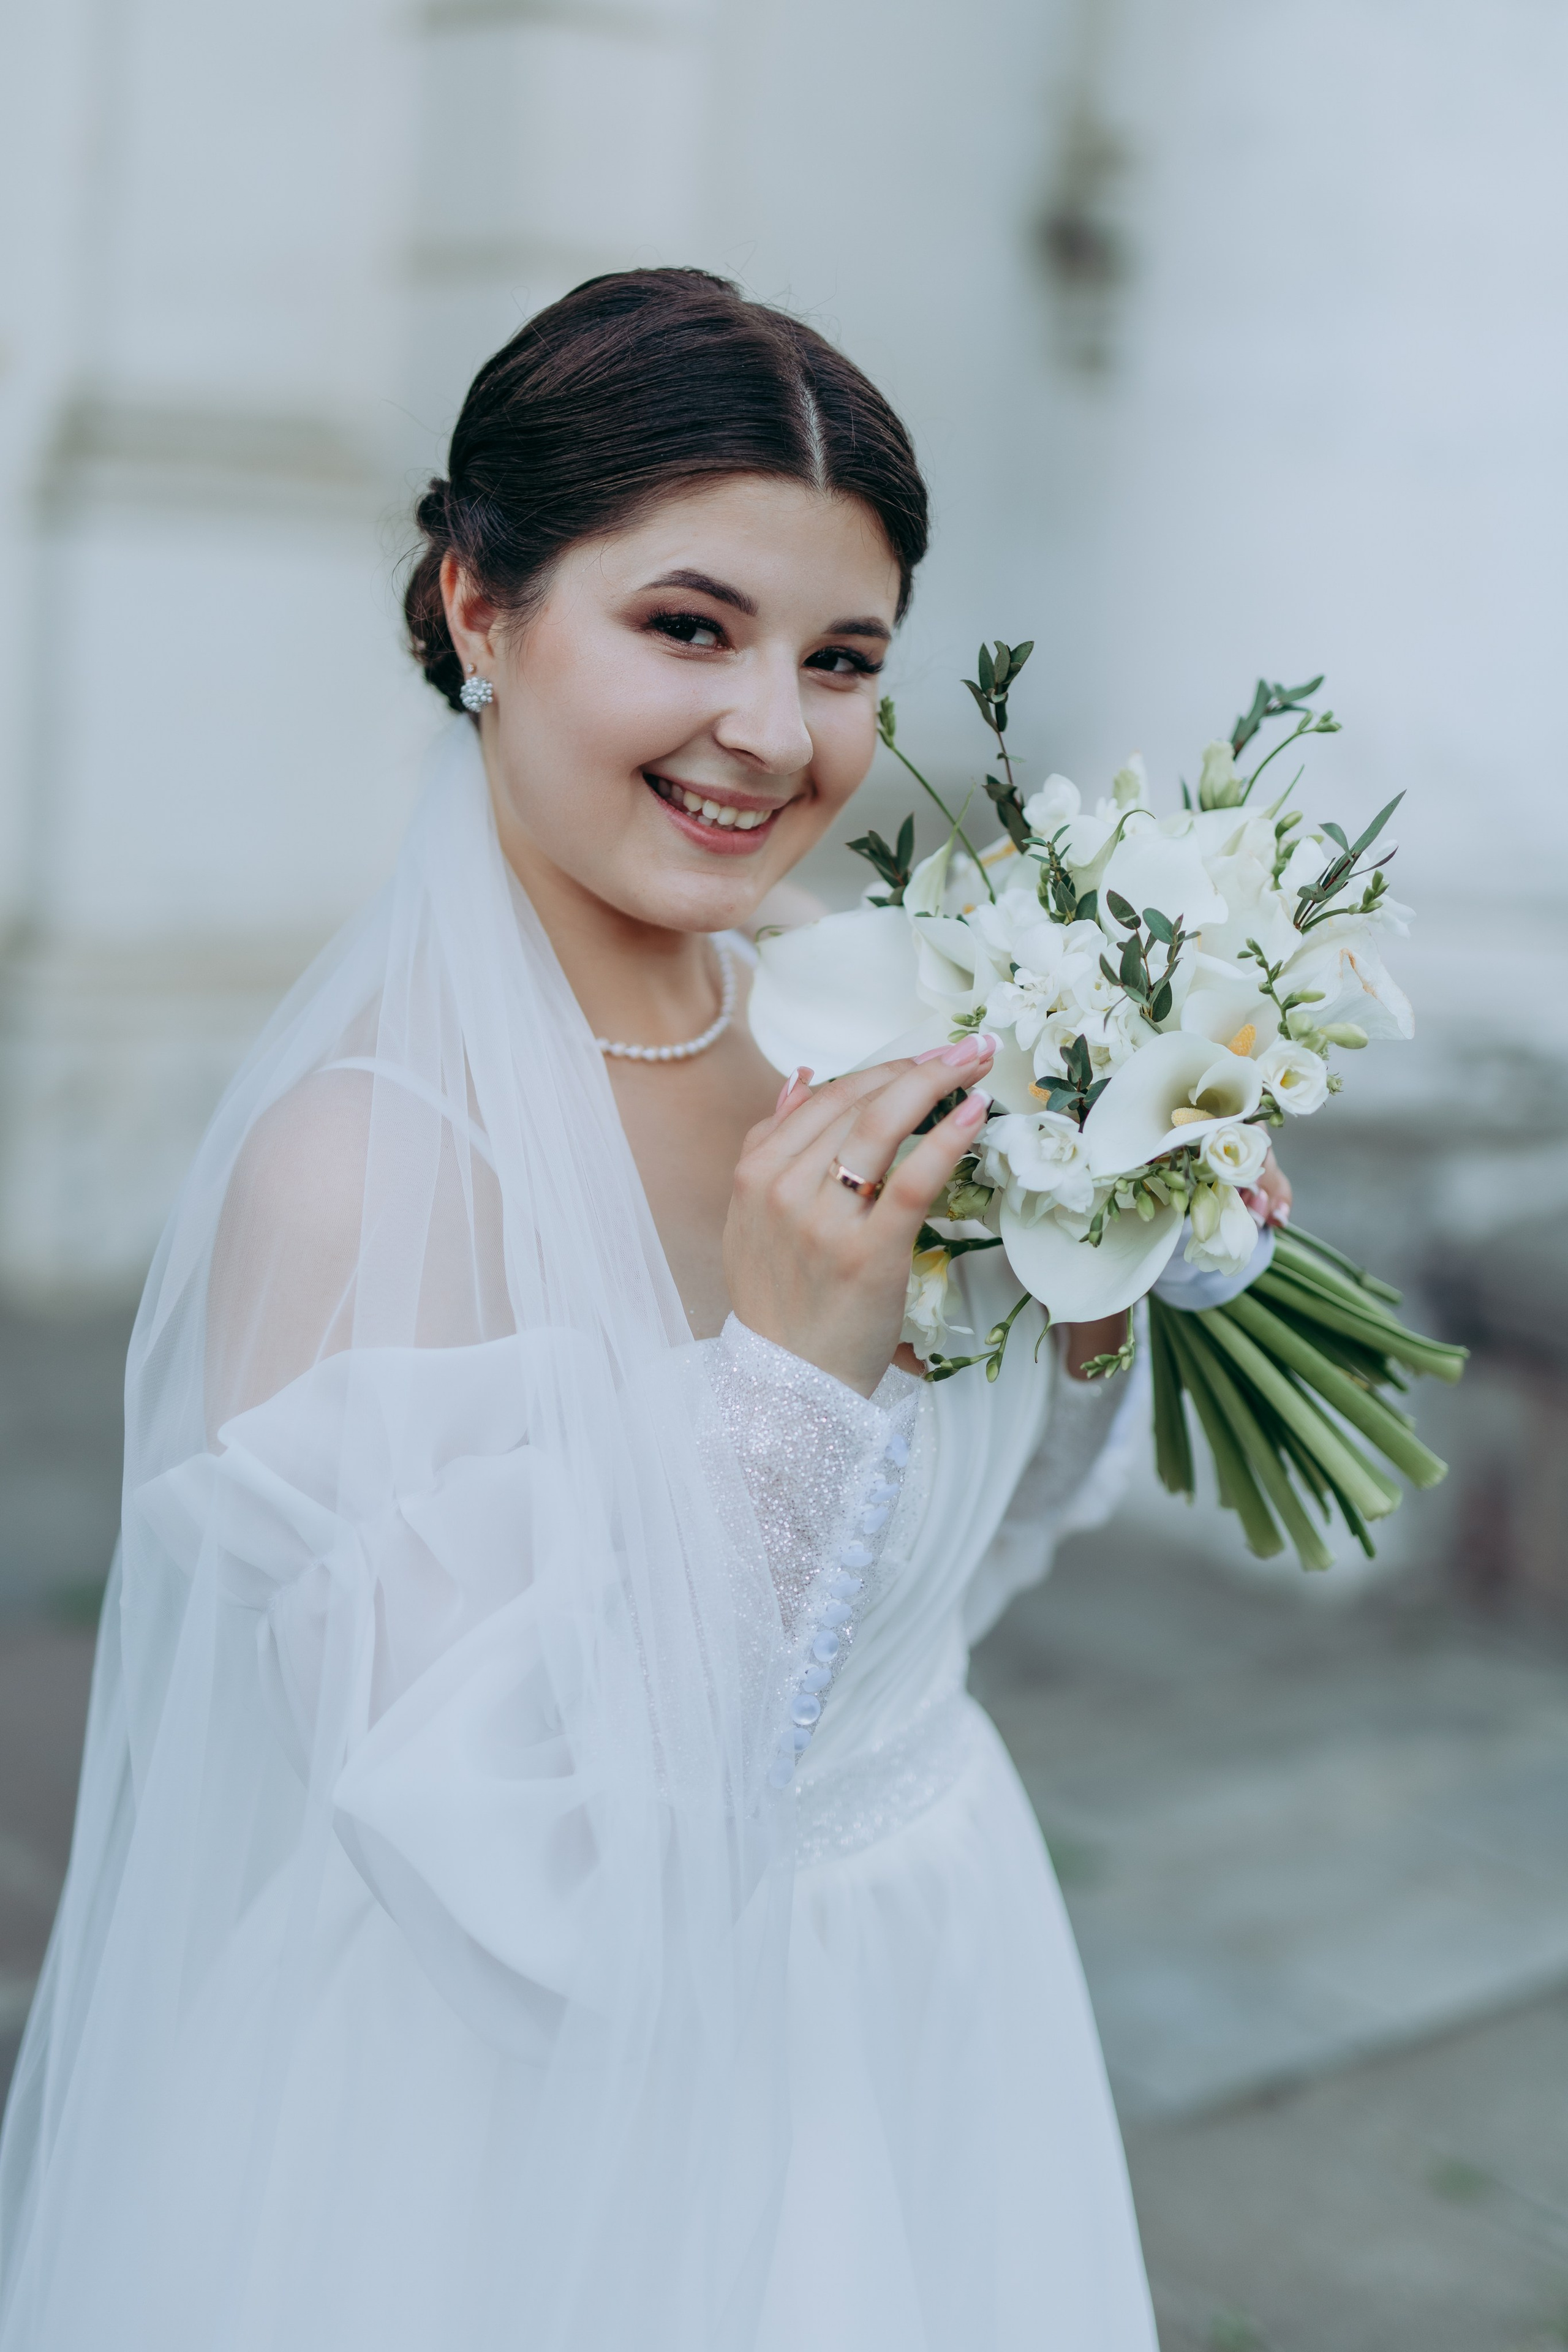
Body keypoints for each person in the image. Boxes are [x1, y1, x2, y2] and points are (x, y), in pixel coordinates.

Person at [0, 267, 1222, 2349]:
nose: (775, 731)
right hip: (527, 2144)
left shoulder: (861, 1009)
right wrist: (787, 1381)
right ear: (479, 606)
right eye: (687, 627)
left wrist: (1115, 1263)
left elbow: (935, 1579)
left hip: (928, 1975)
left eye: (844, 659)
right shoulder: (357, 1171)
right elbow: (538, 1877)